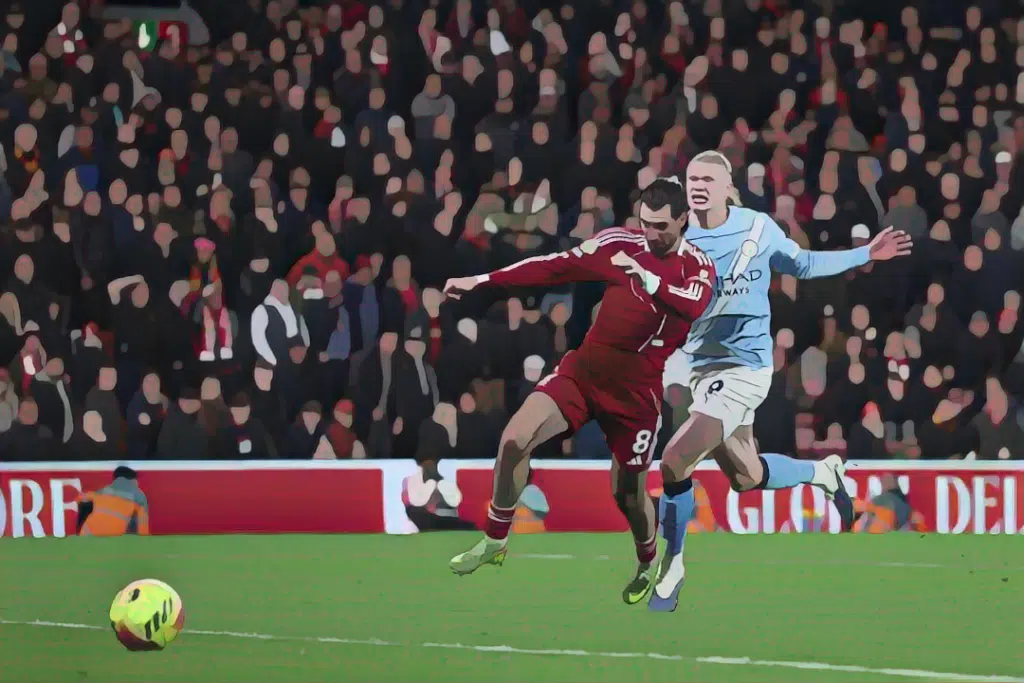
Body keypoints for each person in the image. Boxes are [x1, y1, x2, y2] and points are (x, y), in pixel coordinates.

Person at [651, 150, 913, 612]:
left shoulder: (756, 228)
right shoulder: (676, 235)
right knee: (746, 476)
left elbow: (805, 265)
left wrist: (865, 253)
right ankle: (823, 472)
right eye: (693, 178)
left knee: (674, 461)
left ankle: (671, 567)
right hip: (703, 370)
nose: (699, 186)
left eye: (708, 179)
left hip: (747, 370)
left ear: (727, 186)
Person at [442, 178, 715, 605]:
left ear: (683, 220)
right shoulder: (618, 244)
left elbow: (692, 305)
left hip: (636, 397)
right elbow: (552, 265)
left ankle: (647, 559)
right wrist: (481, 281)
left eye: (662, 226)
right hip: (583, 375)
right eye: (645, 222)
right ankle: (495, 541)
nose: (651, 233)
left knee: (627, 493)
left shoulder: (698, 266)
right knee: (515, 439)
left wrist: (648, 280)